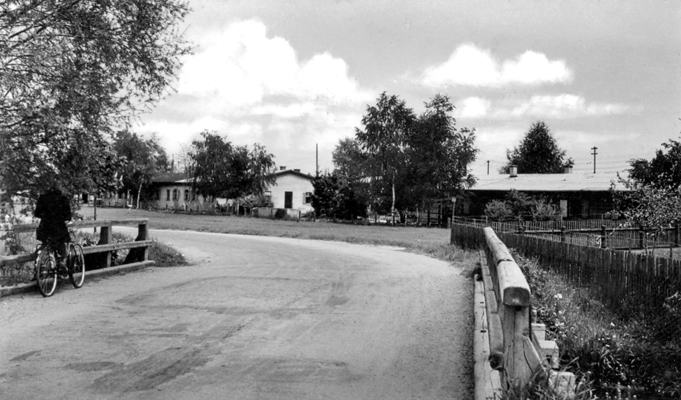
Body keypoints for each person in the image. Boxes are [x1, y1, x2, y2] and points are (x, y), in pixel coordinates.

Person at [34, 186, 72, 265]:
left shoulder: (42, 198)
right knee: (61, 246)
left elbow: (37, 213)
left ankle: (40, 269)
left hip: (45, 228)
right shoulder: (63, 199)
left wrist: (46, 216)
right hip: (59, 228)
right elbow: (68, 216)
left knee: (46, 245)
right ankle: (62, 263)